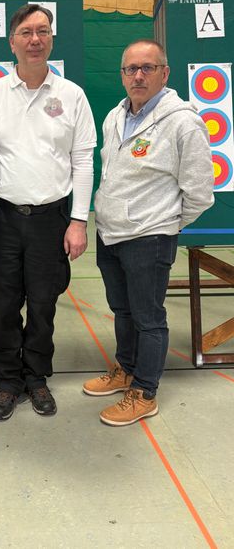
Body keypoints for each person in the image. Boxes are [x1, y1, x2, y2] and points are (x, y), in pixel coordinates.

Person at [0, 4, 96, 421]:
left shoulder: (72, 95)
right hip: (1, 219)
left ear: (52, 40)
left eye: (43, 31)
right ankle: (8, 382)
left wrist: (79, 220)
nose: (35, 39)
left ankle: (37, 377)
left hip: (51, 220)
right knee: (4, 306)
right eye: (26, 32)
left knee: (43, 305)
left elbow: (83, 162)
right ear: (12, 42)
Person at [83, 39, 214, 426]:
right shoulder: (114, 116)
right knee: (122, 310)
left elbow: (200, 193)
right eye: (130, 69)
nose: (138, 76)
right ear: (122, 75)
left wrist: (165, 224)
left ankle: (144, 392)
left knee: (148, 318)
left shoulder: (183, 122)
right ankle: (126, 369)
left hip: (150, 238)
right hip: (110, 233)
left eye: (147, 68)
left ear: (164, 73)